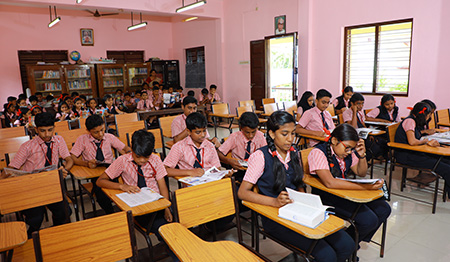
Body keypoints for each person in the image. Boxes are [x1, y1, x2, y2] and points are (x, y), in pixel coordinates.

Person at [238, 111, 354, 262]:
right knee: (327, 255)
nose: (290, 139)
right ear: (272, 134)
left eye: (293, 133)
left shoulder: (294, 153)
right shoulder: (260, 157)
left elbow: (298, 183)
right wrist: (274, 202)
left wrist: (304, 199)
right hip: (274, 216)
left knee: (347, 244)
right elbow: (242, 193)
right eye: (284, 134)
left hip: (298, 209)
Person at [96, 130, 178, 261]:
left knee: (179, 224)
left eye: (146, 157)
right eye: (138, 156)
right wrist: (122, 186)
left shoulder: (155, 159)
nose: (142, 160)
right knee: (166, 231)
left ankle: (177, 249)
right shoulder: (122, 161)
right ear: (132, 148)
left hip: (159, 203)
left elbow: (162, 186)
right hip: (140, 208)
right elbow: (100, 181)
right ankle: (177, 253)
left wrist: (167, 206)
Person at [308, 123, 391, 247]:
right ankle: (349, 246)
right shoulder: (318, 152)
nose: (349, 152)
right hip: (328, 197)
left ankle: (351, 242)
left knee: (384, 209)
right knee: (369, 220)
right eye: (347, 147)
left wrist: (362, 155)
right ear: (335, 140)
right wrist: (365, 187)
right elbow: (329, 183)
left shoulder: (347, 153)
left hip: (345, 192)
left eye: (351, 148)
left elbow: (361, 173)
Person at [8, 112, 73, 237]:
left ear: (54, 127)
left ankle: (54, 233)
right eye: (42, 131)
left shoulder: (59, 140)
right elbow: (12, 168)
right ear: (36, 129)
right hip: (32, 188)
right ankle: (32, 236)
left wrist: (64, 168)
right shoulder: (27, 146)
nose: (47, 134)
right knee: (36, 219)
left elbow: (69, 159)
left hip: (51, 185)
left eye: (50, 130)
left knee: (65, 213)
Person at [71, 115, 131, 214]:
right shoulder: (82, 139)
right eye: (96, 132)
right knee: (101, 194)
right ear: (88, 131)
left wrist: (128, 153)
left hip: (111, 170)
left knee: (121, 185)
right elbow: (72, 157)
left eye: (102, 130)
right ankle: (111, 213)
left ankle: (123, 209)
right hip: (95, 172)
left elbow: (125, 148)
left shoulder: (109, 137)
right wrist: (86, 163)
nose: (100, 134)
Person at [394, 102, 450, 197]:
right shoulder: (410, 121)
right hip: (406, 155)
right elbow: (412, 142)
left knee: (447, 160)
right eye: (429, 115)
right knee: (446, 168)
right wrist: (426, 141)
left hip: (415, 151)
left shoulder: (415, 120)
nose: (429, 118)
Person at [164, 112, 221, 177]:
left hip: (210, 180)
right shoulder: (179, 147)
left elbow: (217, 168)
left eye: (204, 131)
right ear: (188, 132)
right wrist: (189, 172)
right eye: (198, 132)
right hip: (191, 183)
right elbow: (165, 170)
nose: (202, 135)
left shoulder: (210, 146)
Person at [218, 112, 267, 182]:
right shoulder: (234, 137)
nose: (251, 136)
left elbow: (266, 153)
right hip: (239, 170)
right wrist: (229, 161)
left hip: (256, 169)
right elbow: (219, 153)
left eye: (253, 132)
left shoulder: (260, 136)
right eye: (247, 132)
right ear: (241, 128)